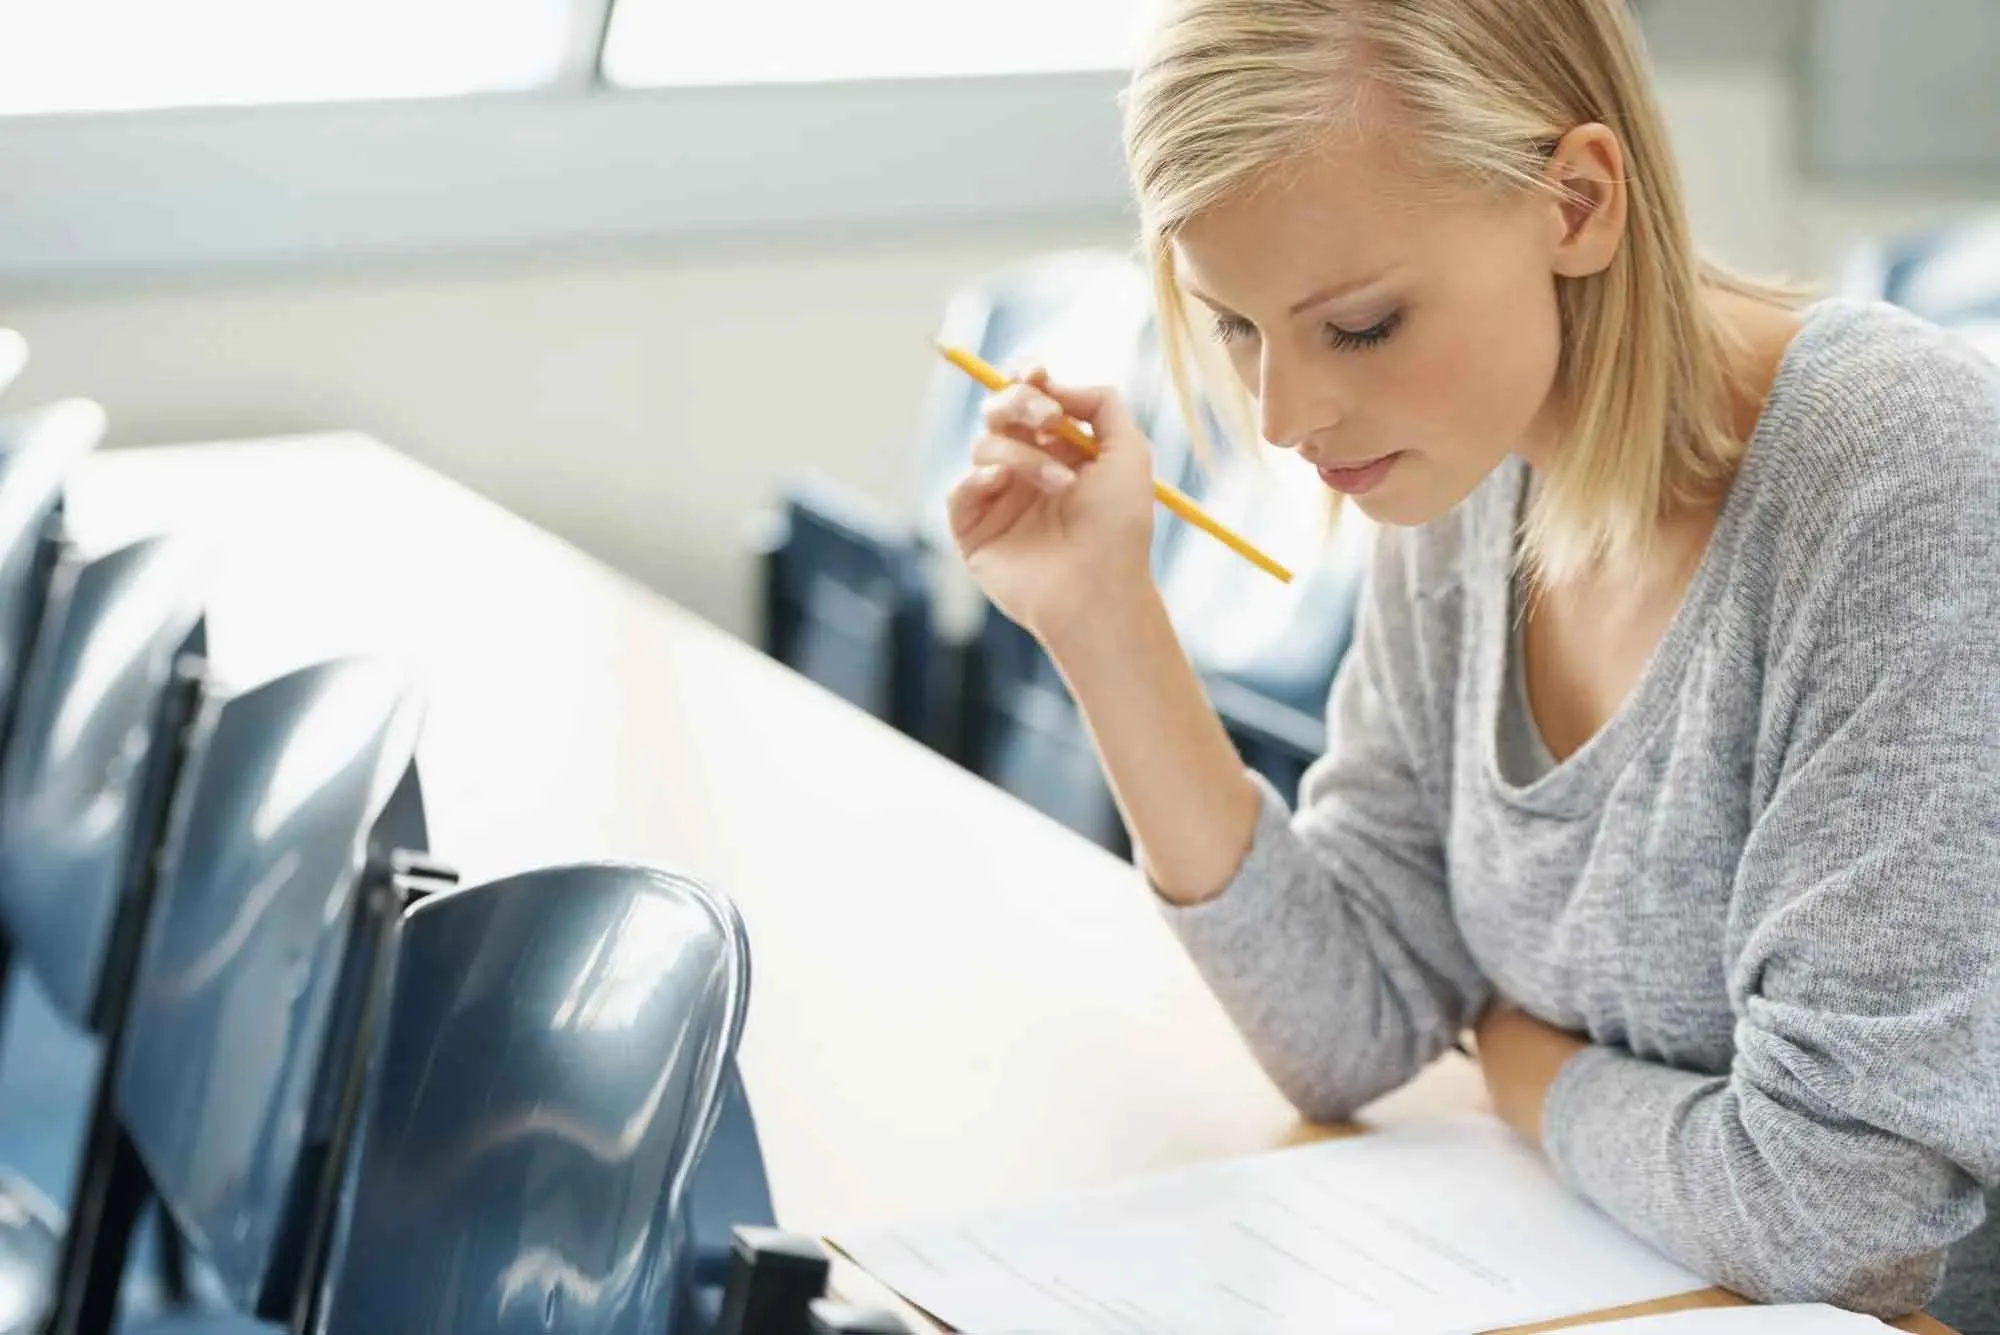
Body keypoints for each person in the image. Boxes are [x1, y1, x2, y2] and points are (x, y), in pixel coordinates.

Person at [946, 0, 2000, 1327]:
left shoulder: (1901, 475)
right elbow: (1351, 1021)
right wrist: (1103, 621)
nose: (1284, 417)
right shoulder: (1462, 471)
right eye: (1234, 327)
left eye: (1363, 325)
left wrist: (1518, 1061)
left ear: (1576, 204)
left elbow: (1840, 1217)